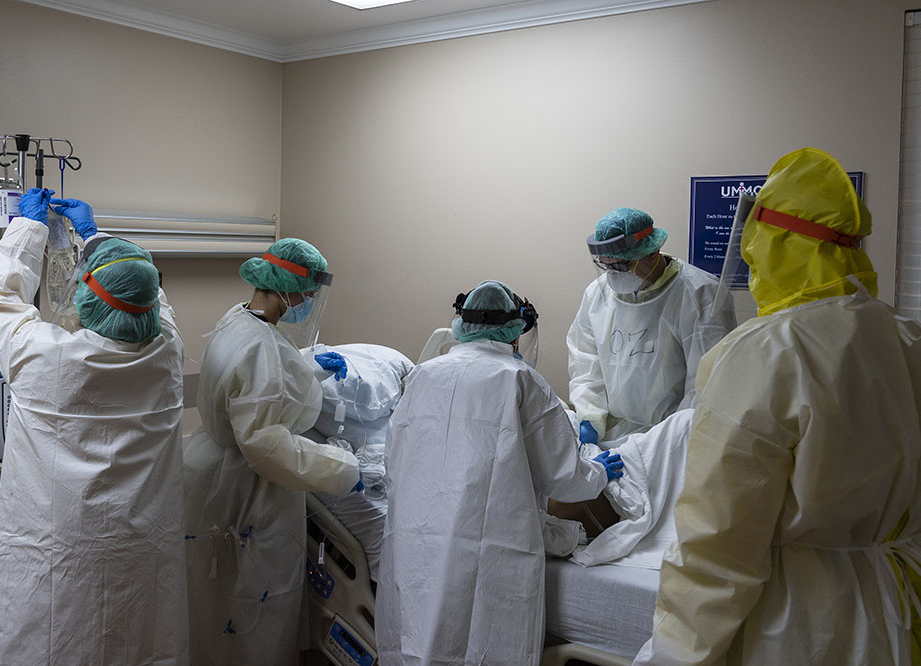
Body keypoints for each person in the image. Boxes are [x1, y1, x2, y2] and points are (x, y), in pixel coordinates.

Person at [633, 147, 921, 666]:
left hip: (800, 621)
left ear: (772, 240)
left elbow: (718, 543)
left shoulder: (766, 353)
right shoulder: (904, 338)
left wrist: (672, 655)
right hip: (897, 604)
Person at [0, 189, 188, 665]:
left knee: (51, 642)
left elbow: (0, 303)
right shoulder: (167, 357)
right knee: (136, 642)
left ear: (85, 298)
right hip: (137, 554)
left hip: (56, 557)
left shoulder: (46, 359)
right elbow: (149, 294)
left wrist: (26, 232)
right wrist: (97, 238)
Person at [376, 280, 624, 666]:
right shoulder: (520, 380)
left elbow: (395, 460)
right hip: (488, 543)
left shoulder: (423, 375)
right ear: (516, 329)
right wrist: (598, 474)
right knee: (478, 641)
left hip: (417, 538)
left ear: (462, 324)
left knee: (416, 636)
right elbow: (563, 477)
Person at [182, 238, 361, 665]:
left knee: (214, 601)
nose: (311, 300)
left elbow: (256, 382)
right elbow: (267, 446)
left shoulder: (237, 319)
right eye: (309, 290)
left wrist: (311, 368)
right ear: (287, 285)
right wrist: (343, 468)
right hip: (248, 489)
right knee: (252, 606)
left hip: (212, 468)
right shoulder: (261, 347)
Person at [567, 207, 735, 444]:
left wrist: (668, 441)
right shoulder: (597, 294)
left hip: (672, 437)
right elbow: (585, 362)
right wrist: (590, 417)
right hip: (613, 432)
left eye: (622, 266)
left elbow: (705, 386)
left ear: (652, 253)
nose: (613, 275)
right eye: (606, 266)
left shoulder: (700, 294)